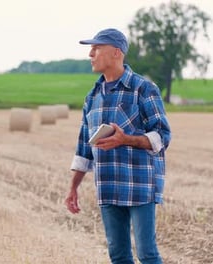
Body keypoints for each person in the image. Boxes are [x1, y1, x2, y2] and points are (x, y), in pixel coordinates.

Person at [65, 28, 171, 264]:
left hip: (139, 185)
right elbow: (84, 147)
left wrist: (127, 139)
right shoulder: (92, 96)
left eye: (96, 48)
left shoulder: (144, 89)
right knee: (119, 256)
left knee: (147, 253)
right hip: (108, 185)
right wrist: (73, 188)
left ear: (116, 53)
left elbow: (162, 136)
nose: (90, 54)